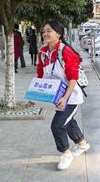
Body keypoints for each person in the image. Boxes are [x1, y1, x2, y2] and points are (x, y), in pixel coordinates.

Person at [37, 20, 89, 171]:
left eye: (49, 31)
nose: (45, 34)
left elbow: (73, 78)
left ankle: (66, 153)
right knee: (68, 121)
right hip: (56, 96)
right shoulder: (43, 53)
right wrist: (35, 95)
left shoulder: (65, 51)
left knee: (58, 125)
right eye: (44, 31)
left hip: (70, 97)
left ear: (59, 34)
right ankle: (83, 144)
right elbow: (40, 75)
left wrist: (65, 98)